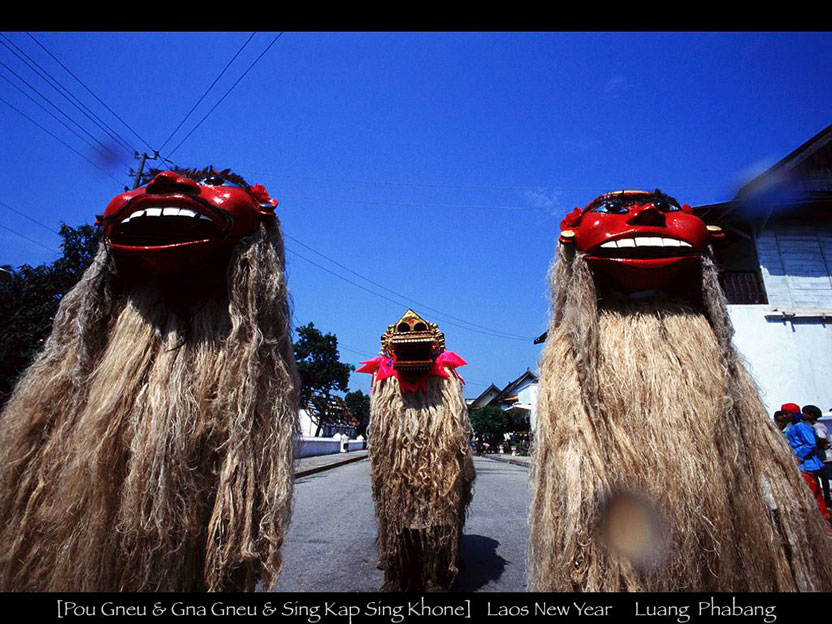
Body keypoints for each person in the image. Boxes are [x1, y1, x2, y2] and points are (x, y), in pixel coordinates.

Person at [786, 404, 832, 531]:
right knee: (816, 493)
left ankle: (818, 525)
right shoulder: (796, 427)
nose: (784, 415)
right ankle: (825, 524)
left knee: (810, 494)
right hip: (807, 464)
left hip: (806, 465)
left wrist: (797, 454)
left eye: (786, 413)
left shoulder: (800, 427)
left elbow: (811, 443)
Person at [804, 405, 832, 510]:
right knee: (824, 481)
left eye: (805, 413)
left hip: (825, 458)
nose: (803, 415)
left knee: (825, 479)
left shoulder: (817, 427)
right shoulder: (815, 426)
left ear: (811, 415)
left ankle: (827, 502)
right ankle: (827, 501)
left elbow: (821, 439)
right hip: (823, 457)